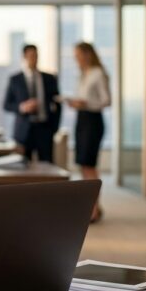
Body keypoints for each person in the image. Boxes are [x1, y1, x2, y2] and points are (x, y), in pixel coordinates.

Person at [64, 42, 111, 223]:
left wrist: (87, 104)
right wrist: (76, 103)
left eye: (78, 55)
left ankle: (93, 210)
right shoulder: (82, 75)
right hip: (81, 119)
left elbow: (107, 101)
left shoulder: (99, 73)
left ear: (87, 54)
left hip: (93, 120)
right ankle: (94, 207)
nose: (76, 59)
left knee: (90, 165)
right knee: (83, 165)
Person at [2, 44, 61, 162]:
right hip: (24, 130)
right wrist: (22, 107)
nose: (34, 58)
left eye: (36, 55)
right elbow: (6, 105)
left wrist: (54, 127)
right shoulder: (15, 79)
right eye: (30, 56)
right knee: (22, 166)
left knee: (47, 164)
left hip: (44, 128)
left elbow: (58, 104)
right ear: (24, 57)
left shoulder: (50, 78)